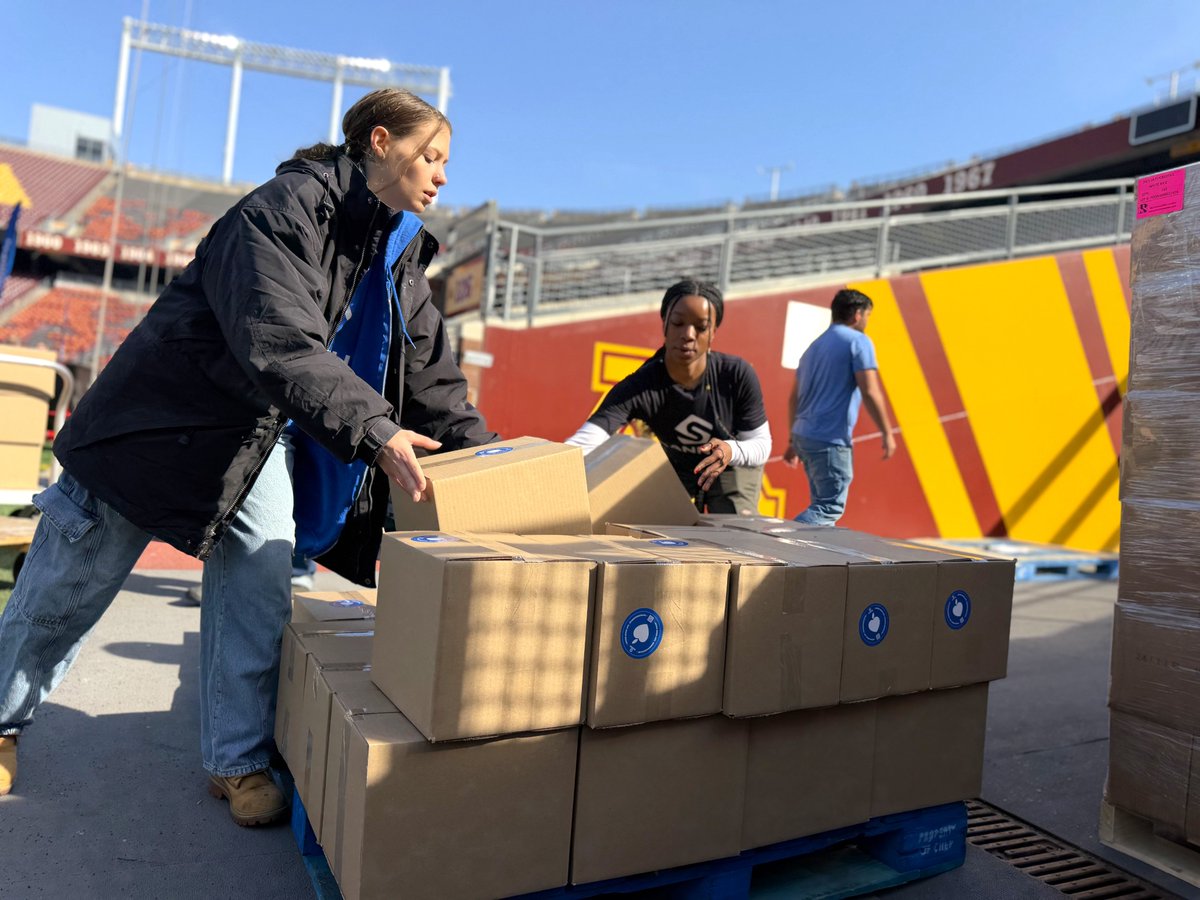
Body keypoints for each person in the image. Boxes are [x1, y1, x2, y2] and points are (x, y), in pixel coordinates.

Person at [0, 89, 495, 824]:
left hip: (251, 434)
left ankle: (235, 761)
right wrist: (377, 429)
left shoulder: (397, 251)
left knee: (264, 571)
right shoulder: (283, 208)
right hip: (155, 420)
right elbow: (278, 339)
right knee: (68, 585)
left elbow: (431, 379)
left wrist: (497, 461)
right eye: (432, 156)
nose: (442, 176)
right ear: (381, 142)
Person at [565, 279, 770, 513]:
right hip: (676, 468)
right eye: (678, 323)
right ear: (664, 324)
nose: (688, 335)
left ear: (713, 332)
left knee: (734, 529)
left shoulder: (736, 374)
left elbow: (761, 445)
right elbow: (584, 443)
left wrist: (731, 450)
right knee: (657, 525)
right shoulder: (641, 385)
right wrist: (544, 468)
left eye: (701, 327)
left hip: (733, 465)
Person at [783, 287, 895, 525]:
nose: (867, 321)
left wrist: (793, 440)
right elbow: (870, 390)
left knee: (820, 507)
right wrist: (887, 432)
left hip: (805, 436)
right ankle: (784, 543)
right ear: (857, 314)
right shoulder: (858, 342)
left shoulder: (813, 347)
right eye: (867, 315)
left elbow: (794, 397)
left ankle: (809, 558)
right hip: (830, 439)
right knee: (828, 508)